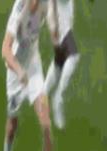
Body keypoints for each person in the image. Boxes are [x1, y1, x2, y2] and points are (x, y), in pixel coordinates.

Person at [0, 0, 62, 151]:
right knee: (12, 126)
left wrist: (55, 34)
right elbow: (5, 50)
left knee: (46, 125)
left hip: (33, 68)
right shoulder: (19, 8)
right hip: (15, 72)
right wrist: (19, 71)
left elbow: (53, 23)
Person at [44, 0, 79, 129]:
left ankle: (43, 92)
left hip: (61, 18)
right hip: (60, 22)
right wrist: (54, 24)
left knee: (60, 61)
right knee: (73, 56)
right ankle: (58, 97)